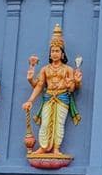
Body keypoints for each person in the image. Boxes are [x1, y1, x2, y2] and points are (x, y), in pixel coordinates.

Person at [23, 26, 83, 160]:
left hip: (62, 98)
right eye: (53, 51)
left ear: (62, 54)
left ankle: (56, 147)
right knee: (45, 123)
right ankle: (43, 147)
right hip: (49, 97)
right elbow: (39, 86)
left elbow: (72, 88)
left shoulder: (68, 69)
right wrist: (30, 99)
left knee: (59, 124)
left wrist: (75, 83)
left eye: (57, 51)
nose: (55, 53)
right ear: (50, 54)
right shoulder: (45, 69)